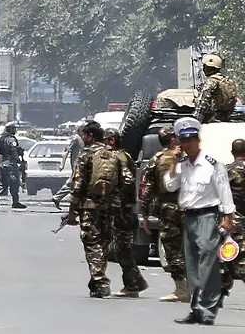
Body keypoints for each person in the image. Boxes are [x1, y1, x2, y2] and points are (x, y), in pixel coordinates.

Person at [163, 117, 236, 326]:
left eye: (191, 140)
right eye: (183, 141)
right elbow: (169, 186)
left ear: (198, 140)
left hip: (208, 215)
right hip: (189, 216)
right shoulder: (183, 165)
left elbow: (224, 191)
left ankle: (208, 309)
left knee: (207, 263)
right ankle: (196, 309)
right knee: (192, 266)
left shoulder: (212, 163)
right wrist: (174, 163)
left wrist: (228, 218)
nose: (187, 145)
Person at [67, 121, 135, 298]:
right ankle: (97, 278)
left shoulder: (86, 155)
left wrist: (71, 211)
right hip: (111, 206)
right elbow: (127, 180)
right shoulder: (114, 155)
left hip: (90, 207)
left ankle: (100, 281)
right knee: (104, 242)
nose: (82, 138)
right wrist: (118, 199)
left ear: (89, 136)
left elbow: (78, 184)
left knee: (92, 243)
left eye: (84, 135)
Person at [140, 126, 189, 302]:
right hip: (192, 207)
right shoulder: (188, 157)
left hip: (169, 208)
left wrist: (145, 215)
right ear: (173, 139)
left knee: (173, 248)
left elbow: (146, 189)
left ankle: (182, 289)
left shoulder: (156, 160)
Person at [103, 128, 149, 297]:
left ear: (112, 140)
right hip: (123, 209)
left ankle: (133, 285)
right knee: (122, 248)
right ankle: (135, 282)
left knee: (123, 248)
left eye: (105, 140)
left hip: (122, 210)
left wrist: (121, 202)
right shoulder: (124, 156)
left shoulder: (119, 157)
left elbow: (128, 181)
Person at [222, 139, 245, 293]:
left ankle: (223, 284)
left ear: (232, 153)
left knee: (228, 252)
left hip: (235, 218)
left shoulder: (227, 171)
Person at [0, 122, 26, 209]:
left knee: (4, 183)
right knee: (14, 183)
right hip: (10, 164)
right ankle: (15, 202)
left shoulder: (2, 138)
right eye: (14, 129)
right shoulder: (11, 139)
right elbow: (13, 150)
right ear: (11, 129)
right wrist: (19, 160)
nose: (15, 131)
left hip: (3, 163)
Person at [52, 122, 86, 210]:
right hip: (77, 165)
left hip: (82, 164)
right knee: (73, 182)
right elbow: (66, 151)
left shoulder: (83, 139)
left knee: (77, 183)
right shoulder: (76, 138)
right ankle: (57, 198)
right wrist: (62, 164)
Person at [194, 54, 237, 124]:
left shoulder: (211, 81)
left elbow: (203, 102)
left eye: (205, 67)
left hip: (211, 119)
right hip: (225, 117)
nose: (203, 69)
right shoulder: (226, 80)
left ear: (208, 68)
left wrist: (197, 120)